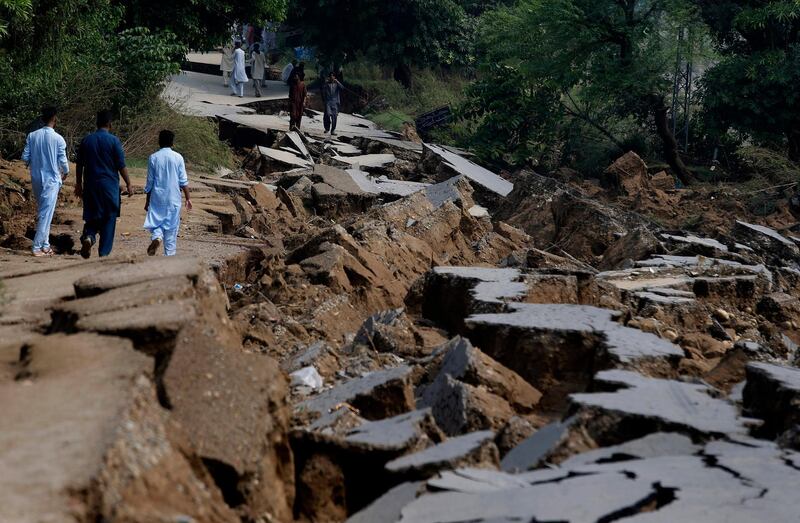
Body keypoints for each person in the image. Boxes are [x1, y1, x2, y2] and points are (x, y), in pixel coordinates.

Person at [75, 110, 132, 259]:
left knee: (92, 216)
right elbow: (121, 165)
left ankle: (89, 236)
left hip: (91, 186)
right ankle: (104, 254)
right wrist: (129, 184)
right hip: (109, 187)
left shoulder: (87, 140)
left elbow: (79, 165)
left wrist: (78, 184)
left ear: (97, 123)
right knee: (109, 218)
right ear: (110, 124)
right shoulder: (114, 141)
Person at [21, 106, 69, 257]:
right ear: (54, 118)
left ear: (42, 119)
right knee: (45, 213)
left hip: (36, 178)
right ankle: (36, 247)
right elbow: (63, 162)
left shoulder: (32, 136)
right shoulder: (58, 139)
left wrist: (32, 162)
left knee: (45, 212)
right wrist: (66, 172)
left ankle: (45, 245)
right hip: (52, 179)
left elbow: (24, 157)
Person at [143, 130, 191, 257]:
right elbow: (183, 180)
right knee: (171, 229)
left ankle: (157, 237)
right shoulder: (178, 157)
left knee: (156, 222)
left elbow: (150, 182)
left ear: (159, 142)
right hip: (173, 198)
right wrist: (188, 198)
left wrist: (147, 200)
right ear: (172, 142)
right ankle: (169, 258)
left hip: (157, 197)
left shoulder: (153, 157)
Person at [322, 71, 344, 136]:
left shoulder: (337, 84)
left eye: (333, 76)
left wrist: (337, 81)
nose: (332, 77)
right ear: (329, 77)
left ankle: (333, 130)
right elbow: (322, 89)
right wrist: (325, 82)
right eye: (330, 76)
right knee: (327, 115)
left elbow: (342, 88)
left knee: (334, 117)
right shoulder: (327, 84)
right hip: (328, 102)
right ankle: (327, 128)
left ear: (334, 77)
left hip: (335, 102)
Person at [288, 65, 307, 131]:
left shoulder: (303, 84)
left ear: (298, 77)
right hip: (293, 102)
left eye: (296, 76)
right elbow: (290, 94)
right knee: (293, 115)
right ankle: (291, 128)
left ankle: (298, 129)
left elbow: (305, 94)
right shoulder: (292, 85)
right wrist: (290, 102)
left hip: (300, 103)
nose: (294, 77)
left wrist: (304, 102)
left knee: (299, 116)